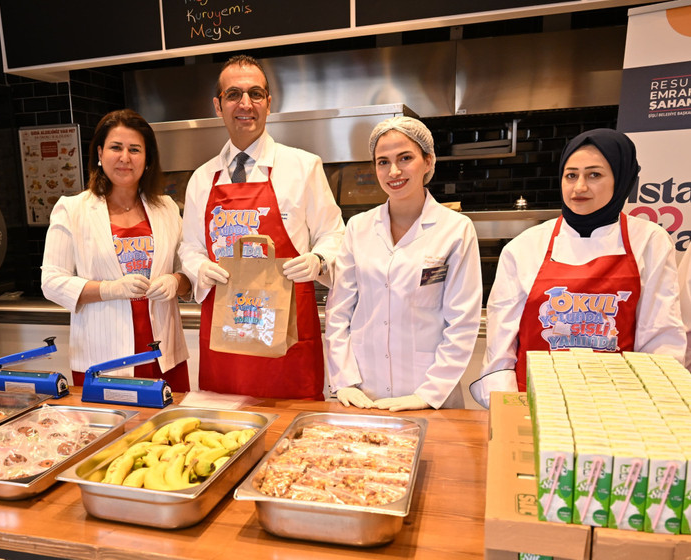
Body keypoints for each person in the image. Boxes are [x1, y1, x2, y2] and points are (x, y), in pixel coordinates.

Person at [473, 128, 685, 407]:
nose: (579, 187)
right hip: (534, 401)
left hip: (618, 405)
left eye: (594, 175)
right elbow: (501, 342)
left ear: (622, 179)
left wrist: (653, 406)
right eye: (571, 175)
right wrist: (506, 405)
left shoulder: (648, 240)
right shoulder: (526, 246)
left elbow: (660, 334)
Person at [179, 54, 345, 400]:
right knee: (224, 436)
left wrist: (318, 259)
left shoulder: (303, 166)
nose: (245, 104)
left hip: (287, 332)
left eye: (255, 93)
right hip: (225, 332)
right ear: (218, 105)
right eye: (233, 94)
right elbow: (190, 248)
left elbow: (334, 234)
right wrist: (199, 267)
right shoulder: (201, 178)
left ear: (269, 103)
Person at [326, 117, 482, 411]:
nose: (393, 171)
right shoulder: (358, 228)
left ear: (428, 161)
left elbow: (462, 323)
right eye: (382, 162)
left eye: (405, 158)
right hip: (365, 393)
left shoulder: (455, 230)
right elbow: (339, 313)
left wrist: (428, 394)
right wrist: (344, 380)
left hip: (430, 394)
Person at [42, 109, 190, 390]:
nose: (125, 158)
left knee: (171, 432)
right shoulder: (72, 210)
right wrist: (110, 289)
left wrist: (176, 281)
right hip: (103, 356)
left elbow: (188, 273)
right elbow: (51, 282)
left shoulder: (168, 208)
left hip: (163, 353)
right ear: (99, 152)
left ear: (147, 159)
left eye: (135, 149)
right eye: (115, 147)